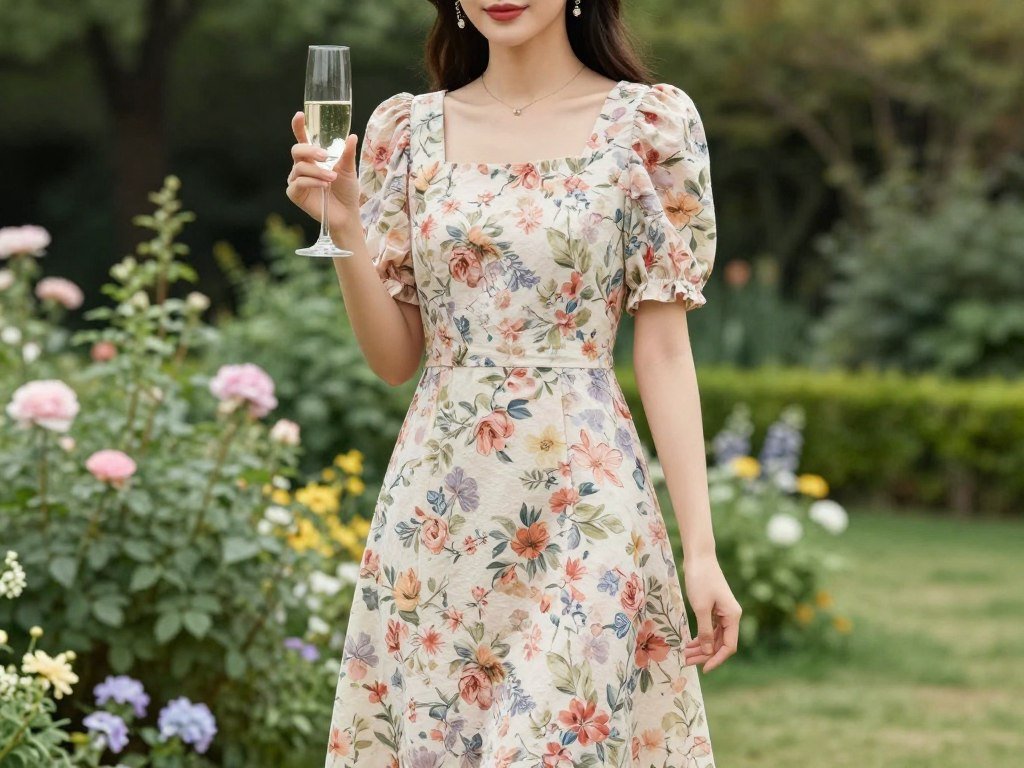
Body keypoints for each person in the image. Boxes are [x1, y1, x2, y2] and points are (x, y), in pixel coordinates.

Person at [286, 1, 742, 765]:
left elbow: (664, 352)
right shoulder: (406, 131)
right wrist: (346, 226)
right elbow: (396, 360)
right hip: (441, 515)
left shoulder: (649, 125)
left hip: (586, 509)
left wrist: (701, 551)